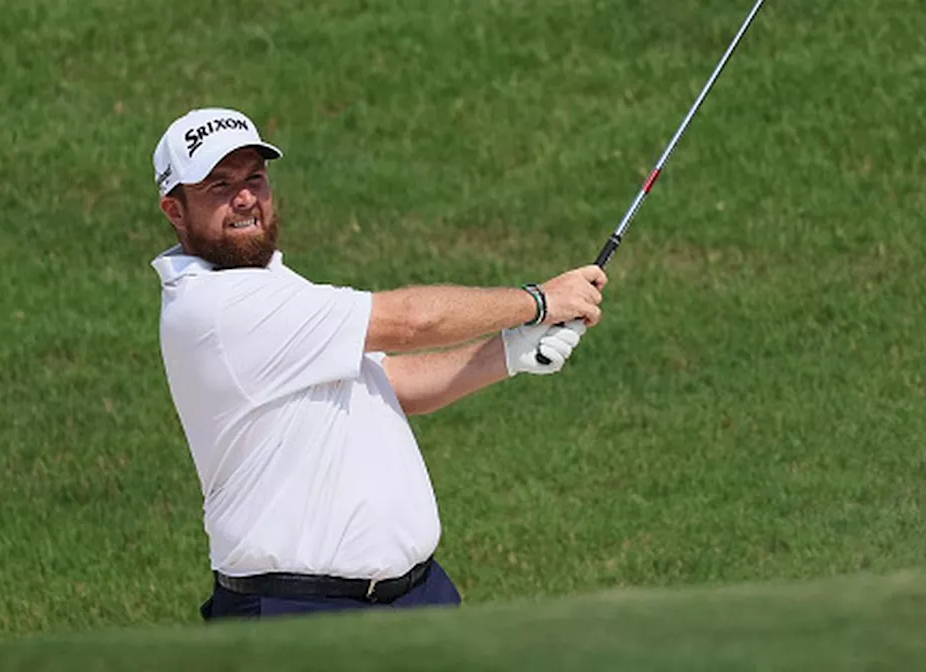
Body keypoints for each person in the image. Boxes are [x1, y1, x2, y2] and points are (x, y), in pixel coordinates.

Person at [148, 107, 606, 620]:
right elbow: (409, 321)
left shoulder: (275, 284)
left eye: (255, 177)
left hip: (415, 598)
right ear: (175, 209)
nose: (246, 196)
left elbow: (388, 382)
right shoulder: (215, 309)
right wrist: (540, 300)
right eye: (219, 184)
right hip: (298, 615)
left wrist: (508, 351)